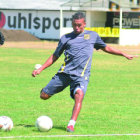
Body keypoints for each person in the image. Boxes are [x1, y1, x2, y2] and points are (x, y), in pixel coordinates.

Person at [32, 12, 137, 132]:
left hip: (81, 75)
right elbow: (55, 55)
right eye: (74, 25)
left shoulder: (92, 36)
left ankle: (71, 124)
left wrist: (123, 54)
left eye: (79, 25)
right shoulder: (65, 38)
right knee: (44, 96)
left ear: (84, 24)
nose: (77, 28)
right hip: (65, 73)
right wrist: (41, 69)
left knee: (79, 95)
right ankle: (47, 90)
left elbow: (106, 48)